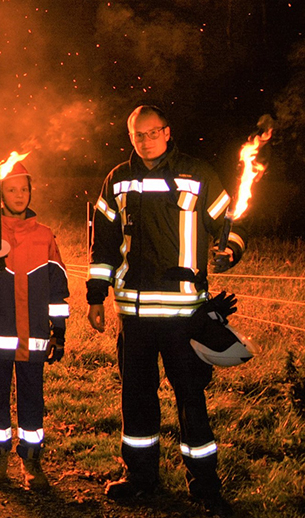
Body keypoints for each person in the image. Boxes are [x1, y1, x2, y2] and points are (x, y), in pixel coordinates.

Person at [87, 105, 244, 516]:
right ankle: (139, 477)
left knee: (191, 398)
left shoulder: (197, 174)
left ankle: (205, 486)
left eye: (153, 132)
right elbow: (102, 242)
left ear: (168, 132)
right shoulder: (117, 179)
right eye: (138, 135)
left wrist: (230, 250)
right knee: (137, 397)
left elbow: (231, 225)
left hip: (183, 314)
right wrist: (94, 295)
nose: (146, 140)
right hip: (134, 315)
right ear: (130, 138)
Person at [0, 161, 69, 491]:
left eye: (24, 189)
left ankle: (32, 460)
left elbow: (57, 287)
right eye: (11, 189)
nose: (19, 195)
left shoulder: (44, 235)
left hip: (33, 333)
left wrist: (59, 330)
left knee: (32, 397)